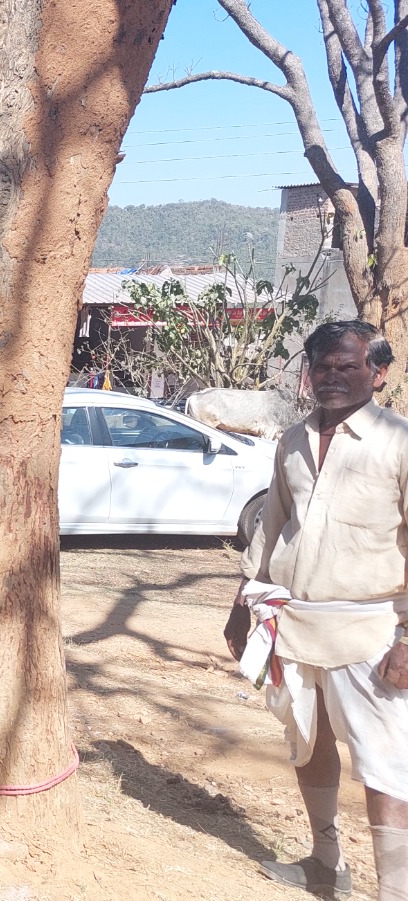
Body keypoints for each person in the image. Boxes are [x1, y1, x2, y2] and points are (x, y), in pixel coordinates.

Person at [231, 320, 408, 901]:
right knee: (308, 742)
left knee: (384, 765)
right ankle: (325, 863)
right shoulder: (292, 440)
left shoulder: (399, 444)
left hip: (372, 631)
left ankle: (395, 889)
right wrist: (243, 603)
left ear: (377, 373)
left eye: (346, 367)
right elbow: (273, 526)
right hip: (294, 624)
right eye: (321, 367)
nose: (330, 378)